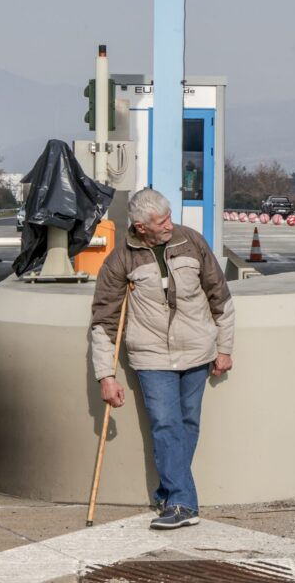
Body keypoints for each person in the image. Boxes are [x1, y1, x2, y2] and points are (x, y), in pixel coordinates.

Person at [90, 188, 235, 530]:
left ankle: (168, 492)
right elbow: (103, 320)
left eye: (169, 216)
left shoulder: (192, 242)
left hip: (197, 351)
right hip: (151, 357)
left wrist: (225, 348)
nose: (170, 224)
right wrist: (105, 376)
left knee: (187, 425)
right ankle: (184, 504)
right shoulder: (120, 259)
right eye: (161, 221)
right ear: (141, 227)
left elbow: (221, 298)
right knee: (166, 424)